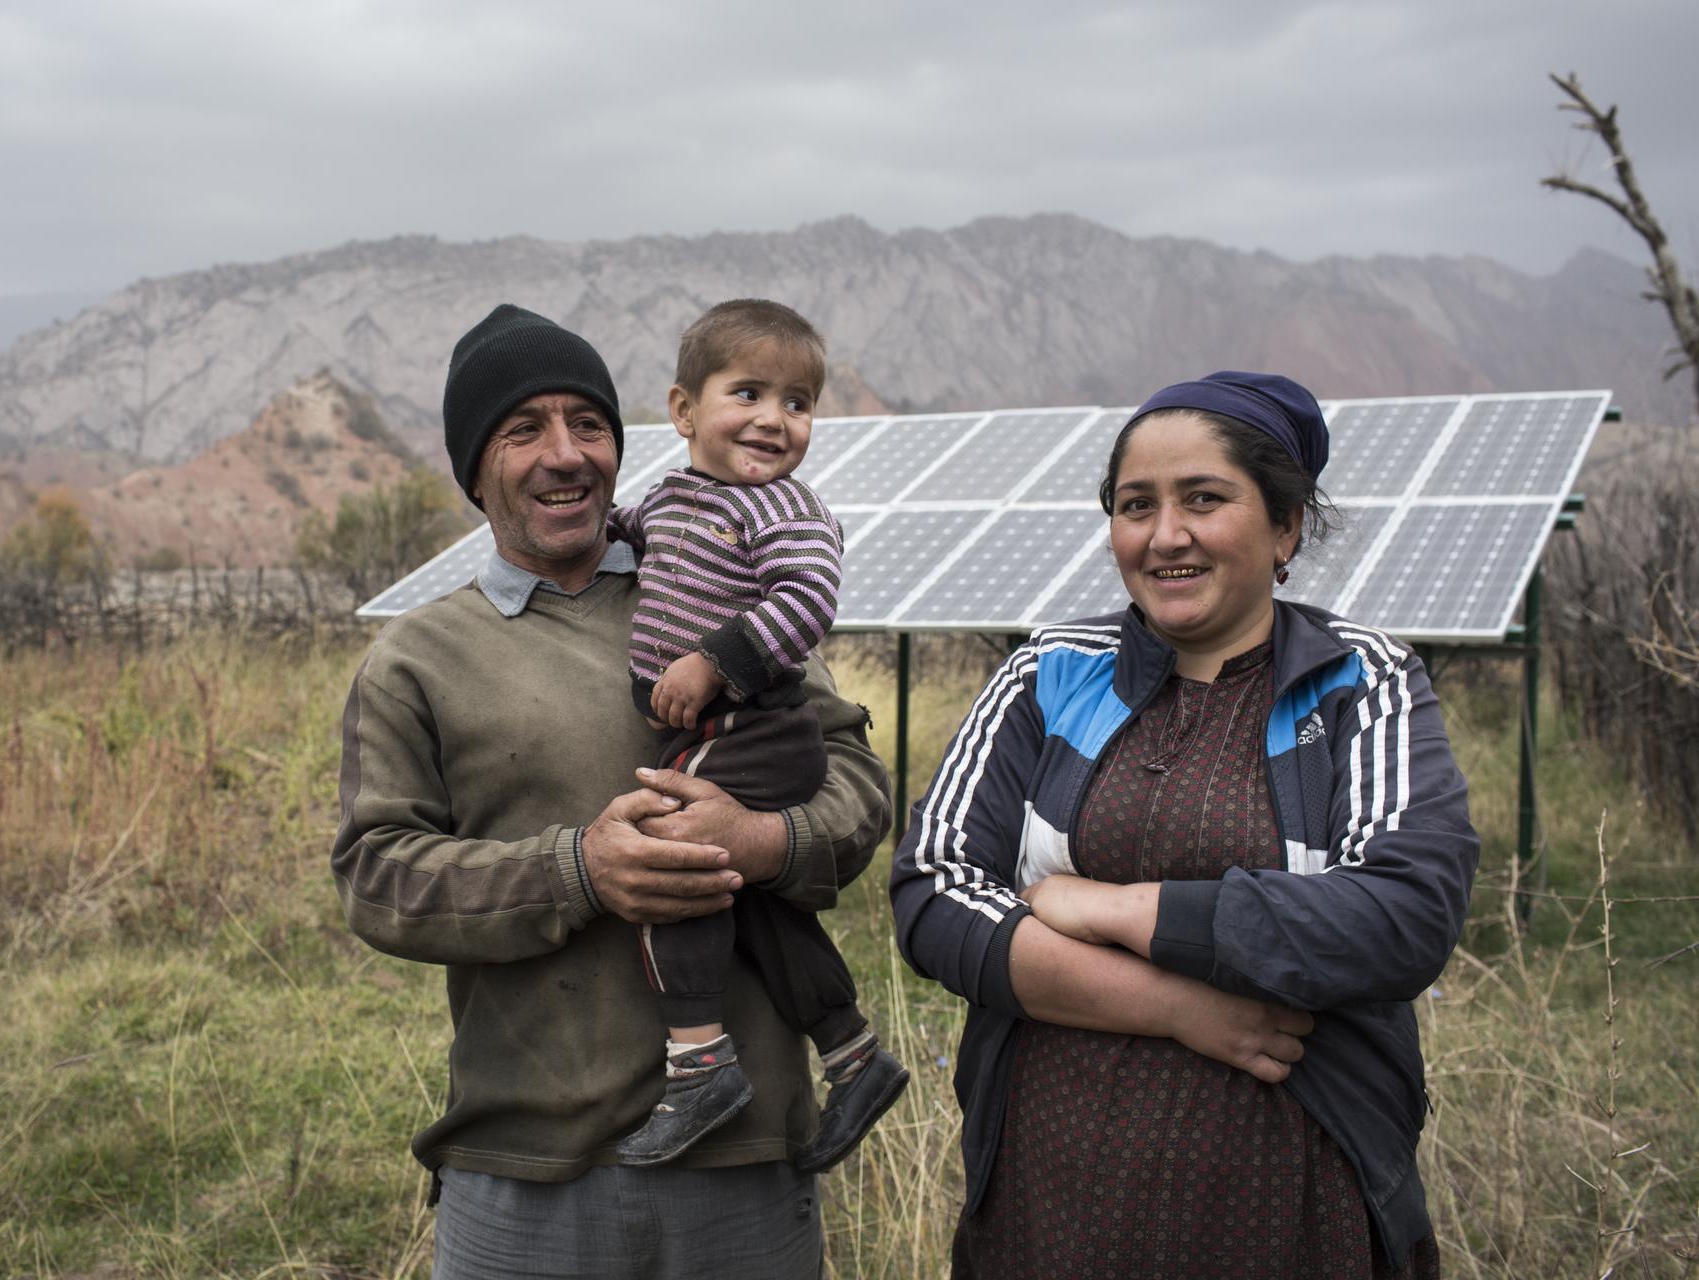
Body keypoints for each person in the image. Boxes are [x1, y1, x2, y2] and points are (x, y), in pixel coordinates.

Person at [331, 303, 891, 1280]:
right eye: (524, 430)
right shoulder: (418, 658)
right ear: (475, 468)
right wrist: (579, 869)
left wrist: (759, 841)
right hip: (524, 1173)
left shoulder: (716, 587)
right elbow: (379, 878)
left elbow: (854, 784)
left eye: (588, 424)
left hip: (743, 1169)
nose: (565, 454)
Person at [890, 371, 1478, 1278]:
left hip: (1294, 1209)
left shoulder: (1366, 682)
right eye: (1136, 506)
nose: (1166, 536)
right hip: (1049, 1206)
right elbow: (931, 891)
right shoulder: (1050, 671)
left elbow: (1402, 915)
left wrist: (1116, 909)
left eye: (1205, 498)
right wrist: (1178, 1009)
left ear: (1285, 527)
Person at [608, 299, 908, 1169]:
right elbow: (628, 535)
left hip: (753, 722)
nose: (775, 419)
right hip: (713, 723)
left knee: (672, 861)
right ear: (683, 411)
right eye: (748, 393)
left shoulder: (782, 507)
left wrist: (713, 660)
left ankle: (699, 1064)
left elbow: (807, 600)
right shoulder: (675, 496)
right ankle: (854, 1056)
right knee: (755, 903)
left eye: (798, 402)